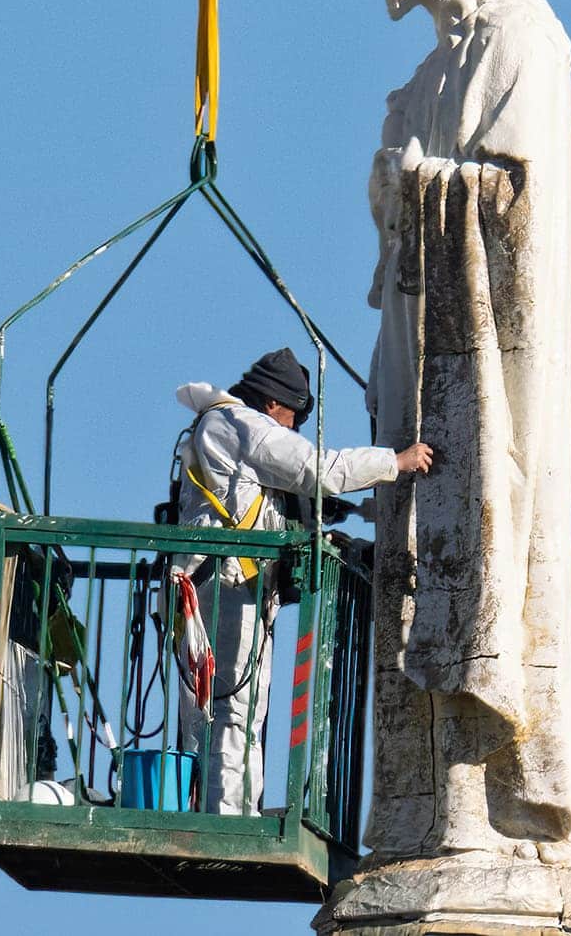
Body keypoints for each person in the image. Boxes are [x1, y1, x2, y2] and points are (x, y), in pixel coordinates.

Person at [360, 0, 571, 868]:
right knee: (413, 561)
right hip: (419, 368)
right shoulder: (420, 83)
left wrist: (420, 186)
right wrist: (398, 182)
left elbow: (514, 199)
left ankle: (497, 809)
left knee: (489, 562)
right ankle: (416, 817)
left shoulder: (522, 38)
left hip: (490, 380)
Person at [174, 347, 432, 816]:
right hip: (228, 587)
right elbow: (320, 470)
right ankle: (228, 817)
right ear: (273, 404)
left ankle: (210, 808)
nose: (289, 428)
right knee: (235, 706)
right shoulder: (243, 426)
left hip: (211, 581)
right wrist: (396, 462)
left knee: (210, 708)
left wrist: (355, 513)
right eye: (291, 418)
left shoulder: (216, 427)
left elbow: (274, 501)